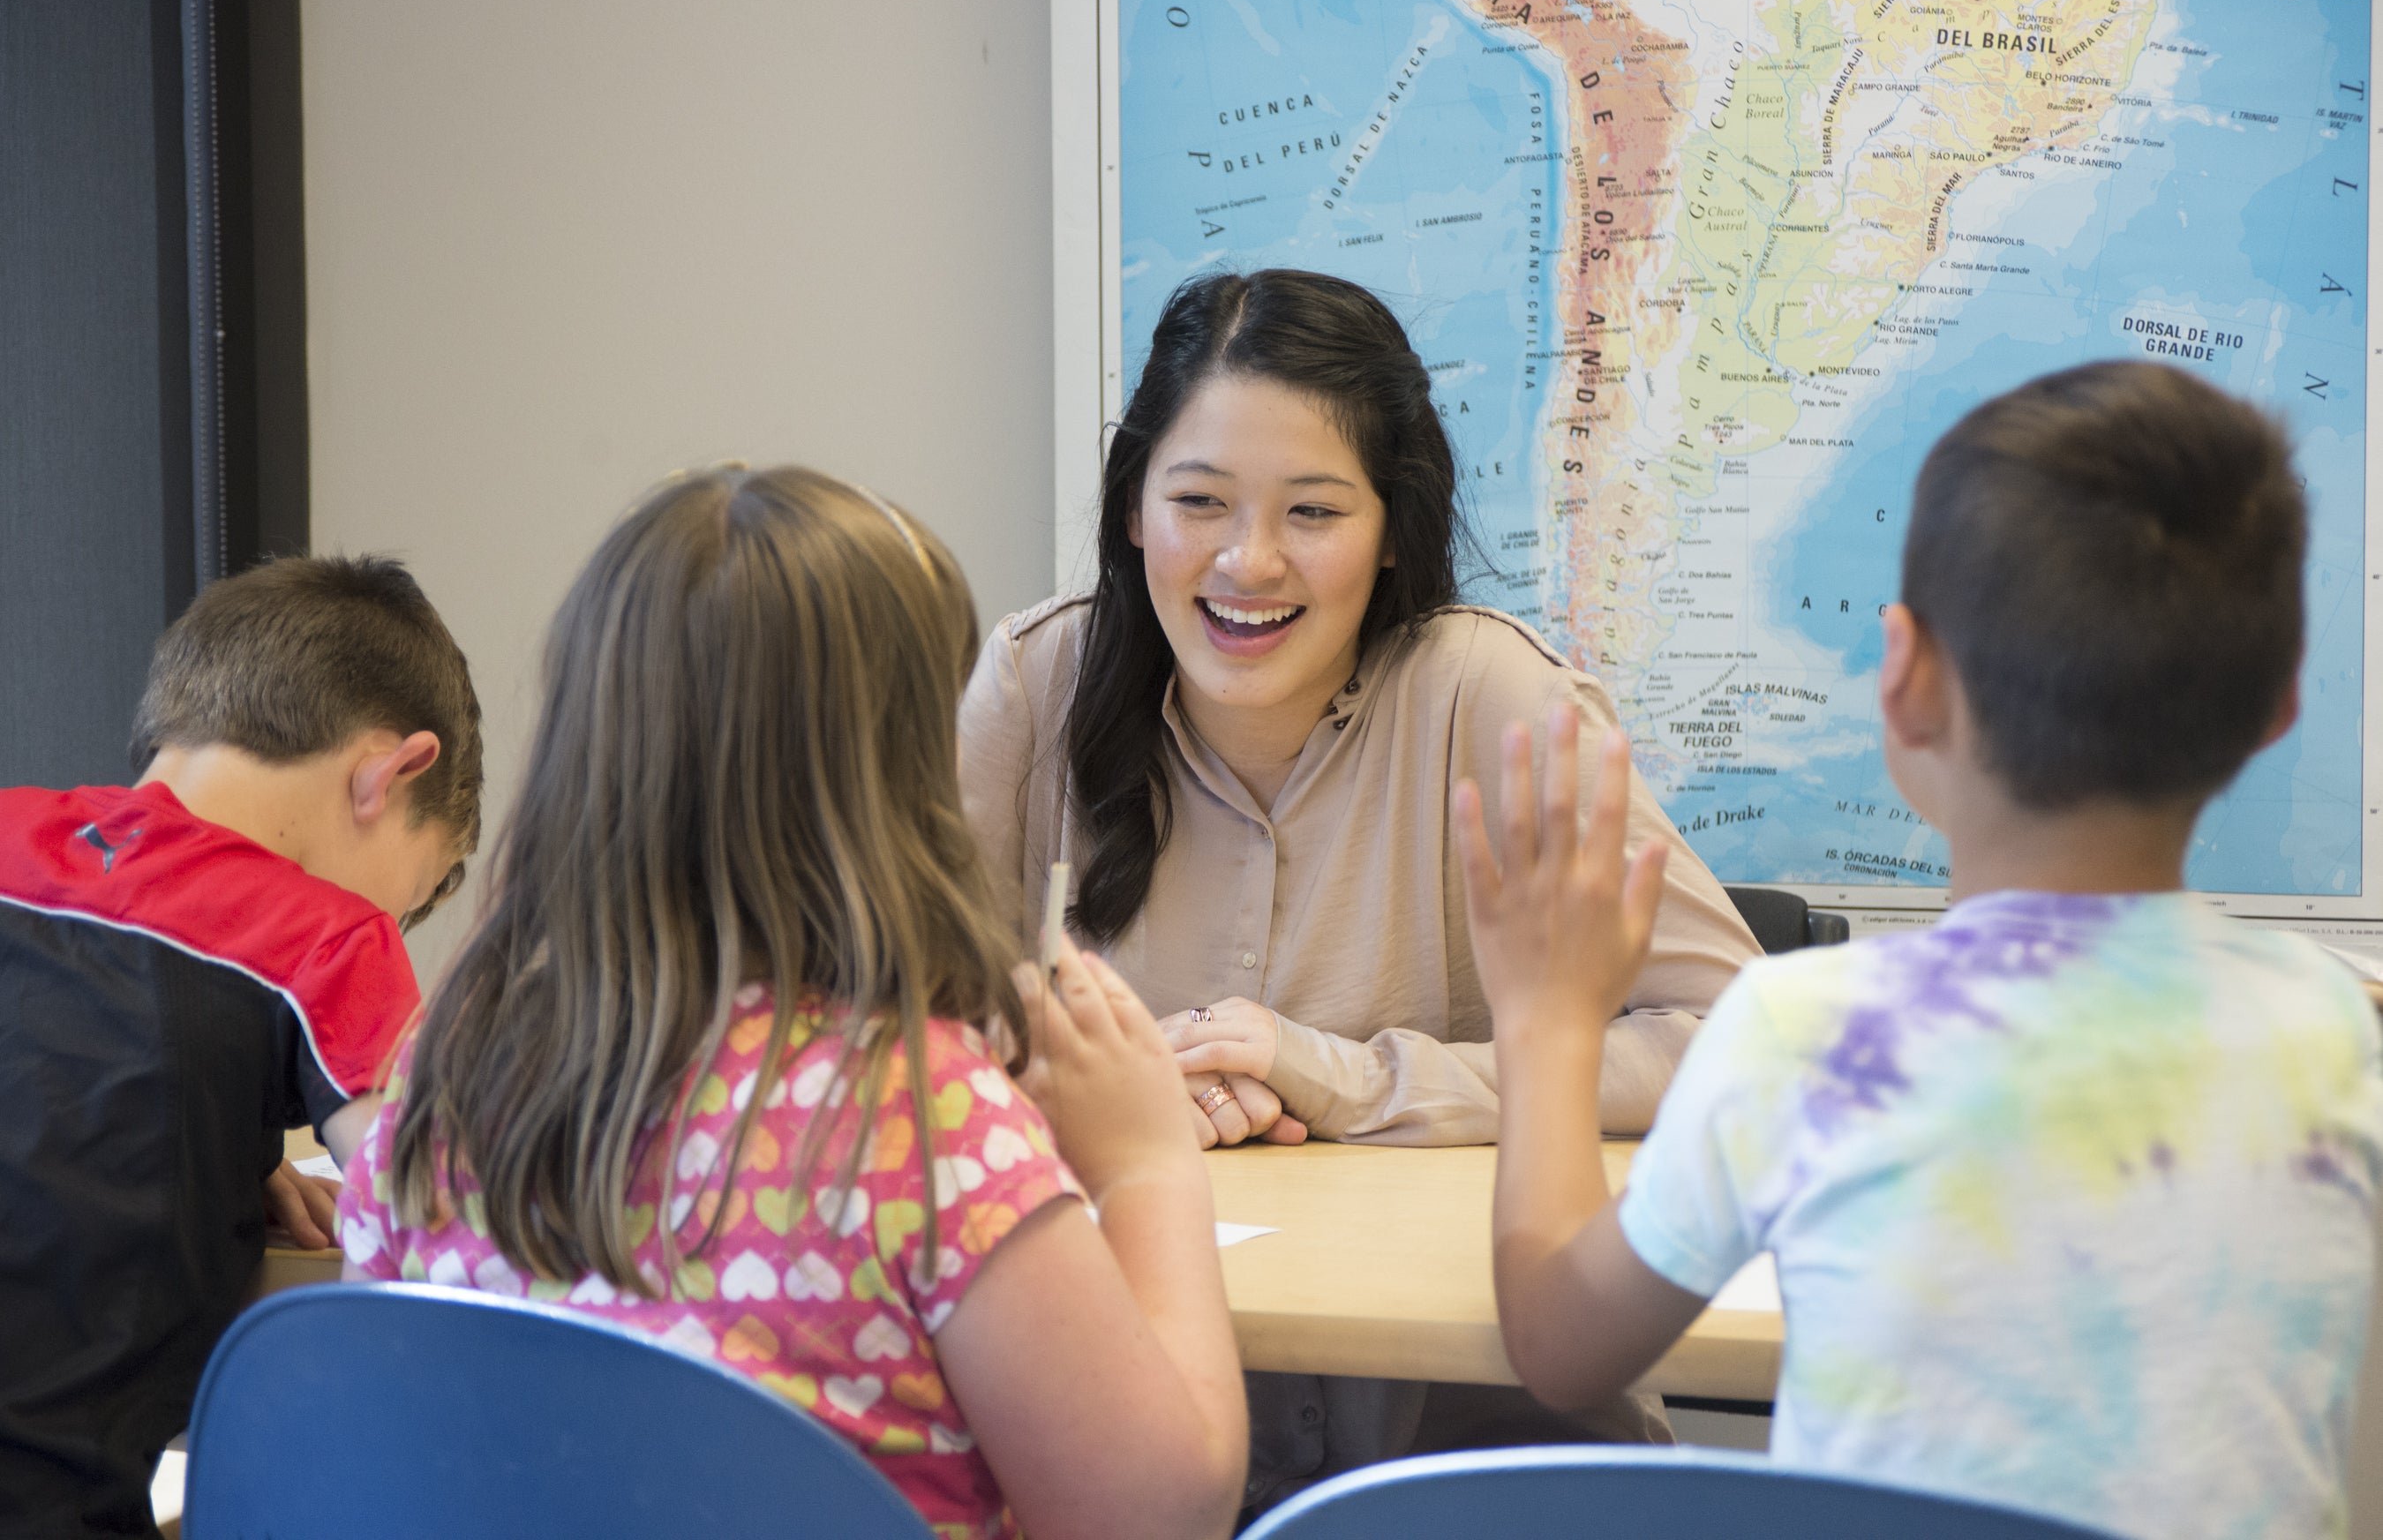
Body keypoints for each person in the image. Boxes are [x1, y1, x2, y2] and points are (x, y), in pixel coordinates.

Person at [1466, 362, 2383, 1540]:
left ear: (1903, 678)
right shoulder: (2338, 1032)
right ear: (2280, 708)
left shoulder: (1807, 1031)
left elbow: (1558, 1349)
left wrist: (1545, 1022)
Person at [958, 268, 1761, 1501]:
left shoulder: (1495, 703)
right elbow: (895, 1039)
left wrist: (1336, 1075)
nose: (1247, 561)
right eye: (1199, 501)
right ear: (1132, 510)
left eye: (1315, 512)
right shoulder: (1030, 687)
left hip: (1479, 1467)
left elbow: (1729, 1040)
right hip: (1134, 1449)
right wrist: (1104, 1095)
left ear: (1392, 528)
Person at [335, 466, 1246, 1540]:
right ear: (892, 777)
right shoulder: (924, 1114)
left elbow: (386, 1442)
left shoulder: (445, 1085)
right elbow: (1157, 1518)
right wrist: (1146, 1166)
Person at [0, 555, 482, 1538]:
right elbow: (446, 1225)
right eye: (413, 892)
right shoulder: (330, 938)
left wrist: (222, 1135)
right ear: (392, 773)